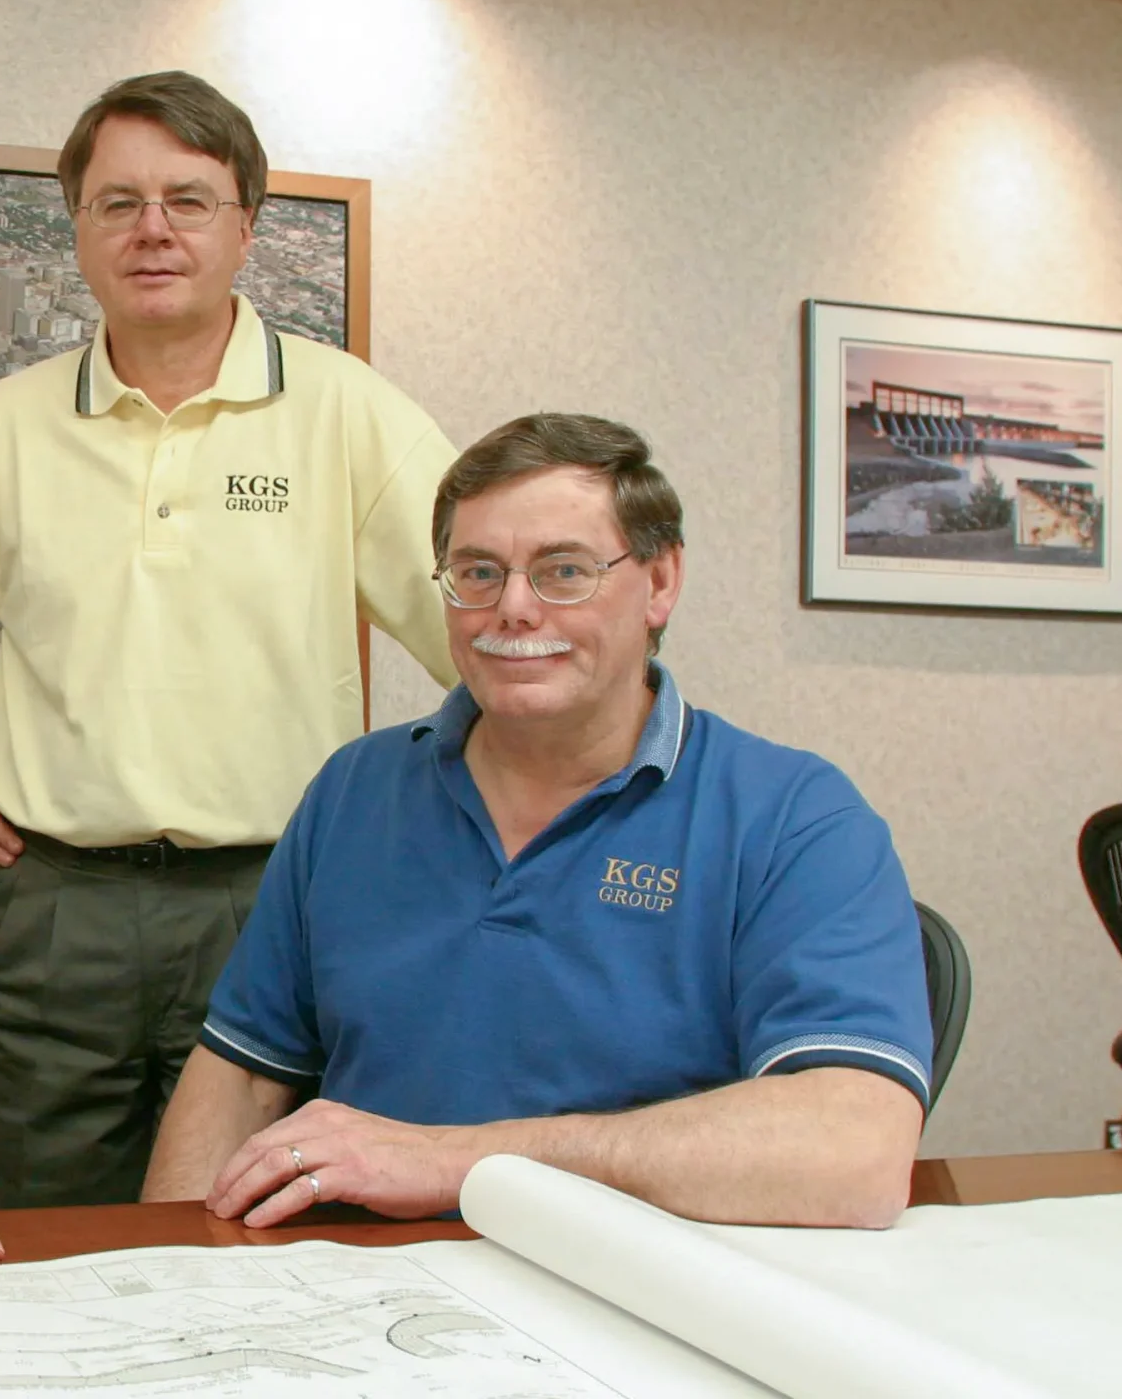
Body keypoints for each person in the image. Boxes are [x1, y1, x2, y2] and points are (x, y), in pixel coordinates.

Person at [0, 71, 460, 1208]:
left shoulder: (350, 413)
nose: (153, 230)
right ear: (78, 227)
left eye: (188, 200)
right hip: (54, 906)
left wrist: (424, 836)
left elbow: (479, 636)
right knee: (51, 1229)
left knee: (262, 1227)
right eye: (118, 202)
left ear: (245, 227)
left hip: (275, 902)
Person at [142, 413, 932, 1230]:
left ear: (660, 582)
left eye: (564, 571)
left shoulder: (795, 819)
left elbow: (857, 1153)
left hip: (631, 1281)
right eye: (477, 573)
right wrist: (173, 1266)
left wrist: (457, 1163)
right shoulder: (355, 790)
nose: (513, 609)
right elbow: (242, 1074)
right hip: (363, 1277)